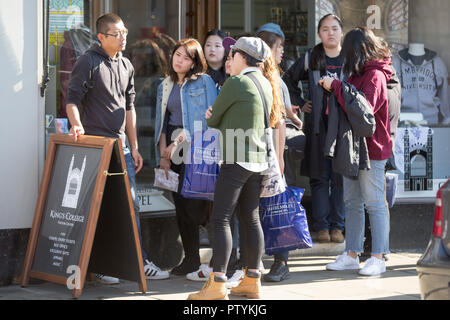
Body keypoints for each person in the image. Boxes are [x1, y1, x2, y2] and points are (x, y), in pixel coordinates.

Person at [66, 13, 169, 282]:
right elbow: (72, 100)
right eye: (116, 34)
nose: (123, 37)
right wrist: (77, 125)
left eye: (124, 32)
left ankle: (140, 261)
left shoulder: (126, 65)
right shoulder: (87, 62)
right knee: (95, 207)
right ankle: (98, 266)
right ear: (101, 37)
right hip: (95, 147)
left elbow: (129, 108)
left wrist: (134, 146)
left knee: (130, 205)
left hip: (121, 147)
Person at [188, 37, 280, 300]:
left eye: (233, 55)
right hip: (259, 161)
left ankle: (217, 283)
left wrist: (211, 115)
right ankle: (252, 281)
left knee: (220, 219)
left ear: (243, 57)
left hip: (236, 159)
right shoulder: (263, 81)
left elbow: (214, 118)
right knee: (250, 218)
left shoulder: (237, 82)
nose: (229, 59)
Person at [323, 27, 393, 276]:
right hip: (352, 148)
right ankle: (352, 253)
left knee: (374, 203)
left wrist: (338, 88)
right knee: (352, 201)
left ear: (355, 51)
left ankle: (378, 256)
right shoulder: (356, 74)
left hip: (372, 149)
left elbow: (364, 109)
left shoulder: (375, 75)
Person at [155, 38, 218, 276]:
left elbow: (210, 119)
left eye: (185, 57)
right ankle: (190, 258)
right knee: (180, 205)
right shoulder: (165, 85)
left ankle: (217, 259)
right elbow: (162, 122)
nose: (179, 60)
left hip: (196, 144)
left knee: (197, 205)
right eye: (177, 55)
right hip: (172, 145)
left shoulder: (204, 82)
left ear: (194, 62)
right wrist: (164, 155)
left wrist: (176, 143)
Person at [282, 14, 346, 244]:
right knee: (320, 178)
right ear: (319, 33)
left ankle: (338, 226)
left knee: (339, 177)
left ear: (341, 32)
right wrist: (300, 102)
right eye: (326, 29)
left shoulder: (349, 59)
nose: (330, 33)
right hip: (318, 126)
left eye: (335, 28)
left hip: (343, 127)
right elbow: (287, 81)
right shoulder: (311, 57)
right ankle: (321, 226)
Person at [256, 22, 303, 283]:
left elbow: (281, 120)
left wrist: (279, 159)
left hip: (272, 154)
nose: (282, 53)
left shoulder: (276, 80)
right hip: (256, 153)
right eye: (278, 48)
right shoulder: (260, 77)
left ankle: (281, 261)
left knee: (276, 208)